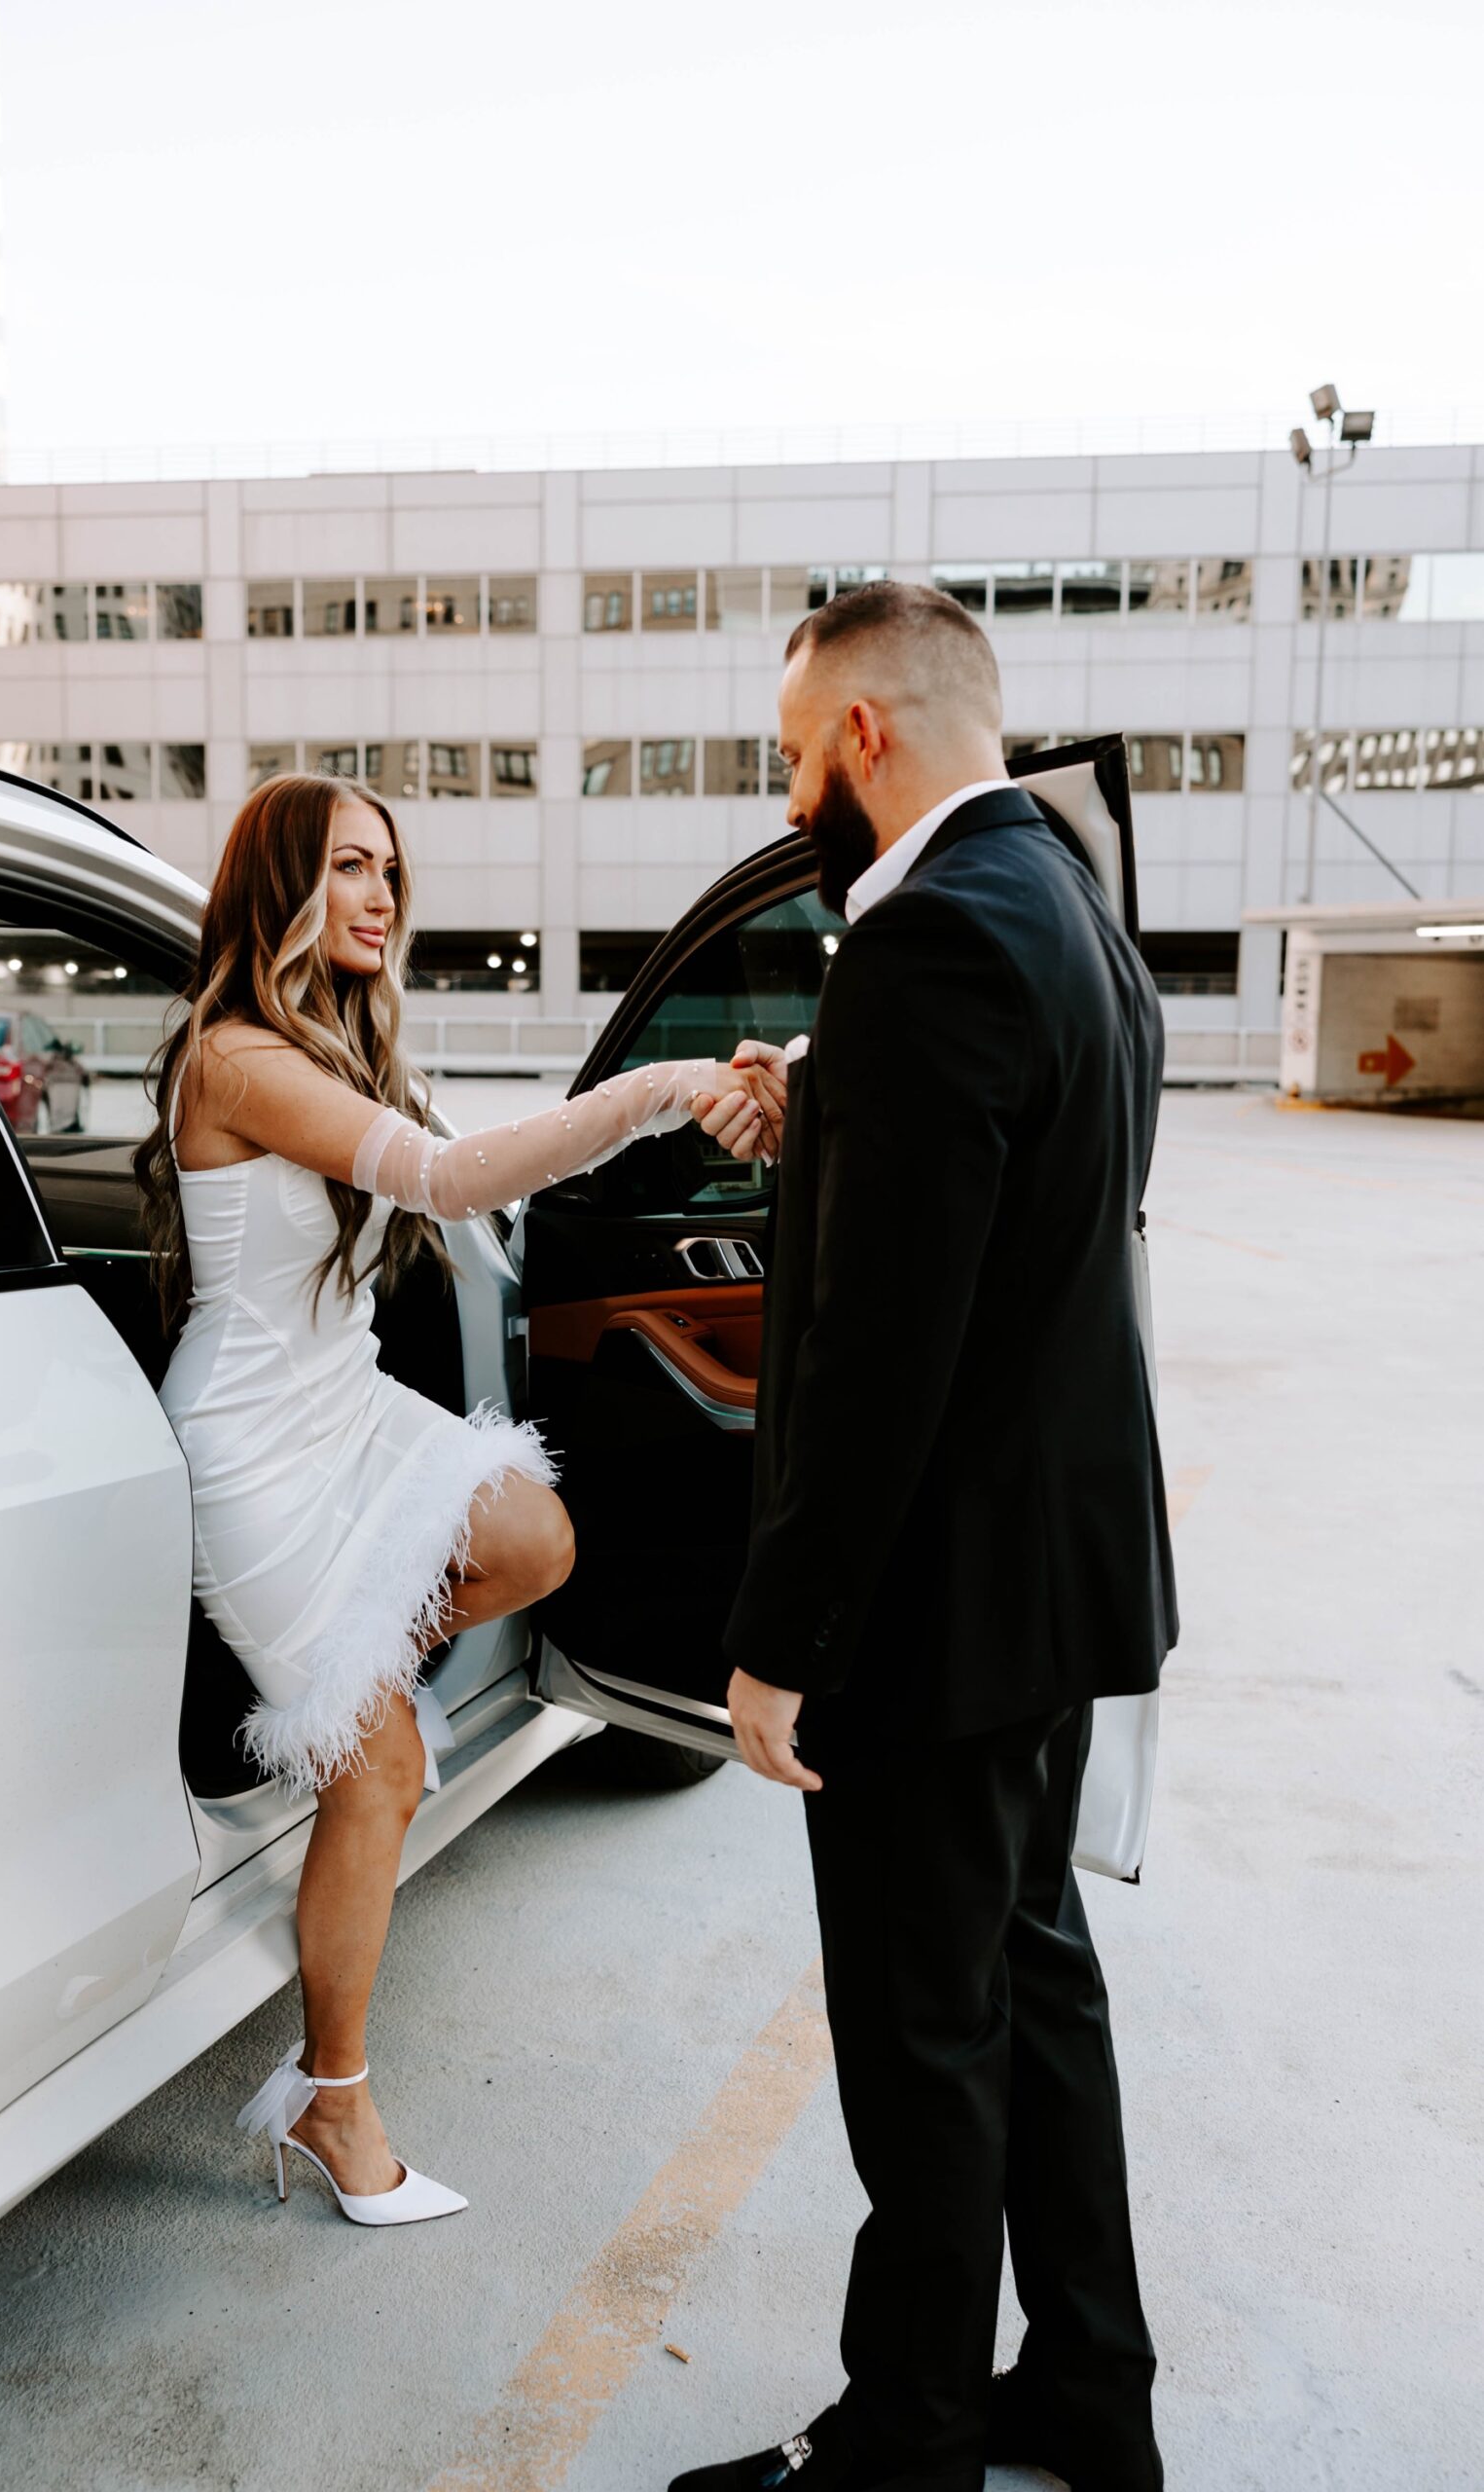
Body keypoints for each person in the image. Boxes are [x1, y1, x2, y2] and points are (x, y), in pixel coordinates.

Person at [674, 585, 1176, 2492]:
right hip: (1056, 1591)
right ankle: (1088, 2392)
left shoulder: (927, 944)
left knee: (923, 2037)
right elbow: (1040, 1201)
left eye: (793, 743)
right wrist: (837, 1111)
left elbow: (884, 1356)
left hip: (934, 1615)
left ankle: (906, 2443)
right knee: (1030, 1982)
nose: (791, 779)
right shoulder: (1065, 913)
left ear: (863, 734)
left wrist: (781, 1634)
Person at [134, 774, 774, 2228]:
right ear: (279, 884)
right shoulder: (235, 1058)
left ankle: (360, 1696)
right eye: (349, 867)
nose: (380, 895)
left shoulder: (335, 1046)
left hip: (345, 1405)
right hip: (251, 1447)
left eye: (390, 871)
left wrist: (704, 1103)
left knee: (532, 1532)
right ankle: (332, 2100)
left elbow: (469, 1178)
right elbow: (446, 1178)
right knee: (381, 1774)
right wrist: (664, 1085)